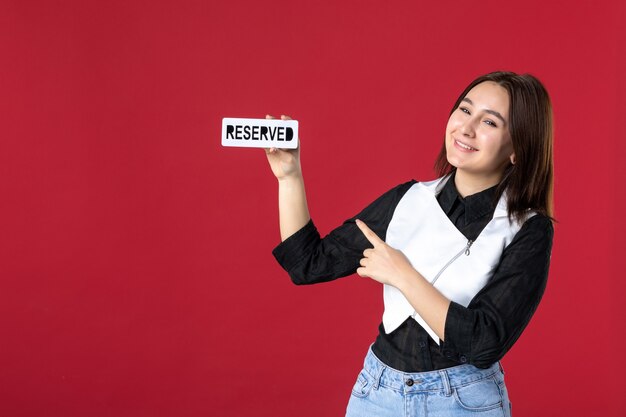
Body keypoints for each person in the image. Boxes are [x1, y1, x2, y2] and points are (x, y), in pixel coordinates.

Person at [265, 71, 554, 417]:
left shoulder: (528, 229)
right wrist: (289, 176)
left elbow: (484, 343)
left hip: (462, 402)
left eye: (489, 122)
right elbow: (307, 264)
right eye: (464, 110)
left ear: (517, 149)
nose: (467, 127)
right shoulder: (406, 200)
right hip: (377, 394)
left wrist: (402, 275)